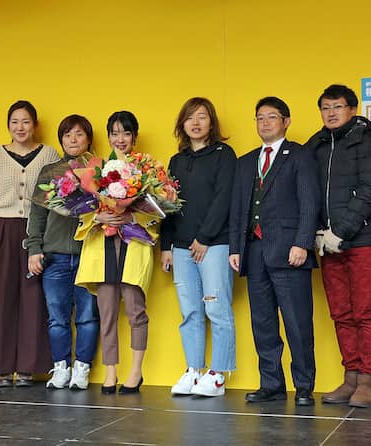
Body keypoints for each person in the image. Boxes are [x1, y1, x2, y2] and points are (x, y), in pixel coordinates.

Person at [229, 97, 320, 405]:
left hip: (290, 251)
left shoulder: (300, 155)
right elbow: (238, 209)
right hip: (254, 252)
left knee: (297, 322)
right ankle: (271, 384)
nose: (265, 122)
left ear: (286, 121)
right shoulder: (246, 161)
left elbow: (309, 202)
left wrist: (302, 243)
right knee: (263, 323)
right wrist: (235, 247)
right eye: (260, 118)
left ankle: (304, 386)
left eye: (271, 117)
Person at [306, 85, 371, 408]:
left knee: (364, 312)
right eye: (325, 108)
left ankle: (368, 381)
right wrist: (317, 231)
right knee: (340, 312)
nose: (331, 113)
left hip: (364, 241)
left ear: (352, 109)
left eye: (337, 107)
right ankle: (351, 376)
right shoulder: (317, 144)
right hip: (328, 243)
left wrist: (341, 231)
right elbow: (307, 191)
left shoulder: (366, 140)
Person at [0, 100, 59, 388]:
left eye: (25, 121)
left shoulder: (48, 154)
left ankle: (27, 367)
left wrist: (47, 238)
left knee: (34, 298)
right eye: (14, 122)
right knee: (0, 298)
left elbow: (55, 195)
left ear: (35, 125)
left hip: (37, 232)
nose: (20, 127)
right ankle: (2, 367)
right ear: (8, 125)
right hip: (3, 230)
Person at [75, 111, 158, 395]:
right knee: (107, 311)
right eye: (115, 133)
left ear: (134, 137)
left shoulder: (147, 171)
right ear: (108, 136)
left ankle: (136, 371)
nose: (120, 139)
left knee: (136, 310)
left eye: (126, 133)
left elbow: (158, 213)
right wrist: (98, 217)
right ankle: (110, 371)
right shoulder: (96, 169)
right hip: (103, 245)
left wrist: (131, 217)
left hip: (133, 245)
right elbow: (81, 209)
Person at [160, 97, 237, 397]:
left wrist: (204, 237)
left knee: (216, 308)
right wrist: (166, 245)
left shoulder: (223, 155)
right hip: (180, 248)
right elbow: (167, 205)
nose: (195, 122)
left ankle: (217, 375)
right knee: (190, 311)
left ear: (211, 122)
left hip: (214, 244)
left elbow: (224, 199)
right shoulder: (176, 161)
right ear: (182, 124)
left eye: (202, 116)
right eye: (190, 117)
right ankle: (194, 370)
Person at [25, 114, 100, 390]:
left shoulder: (100, 171)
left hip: (88, 255)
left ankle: (82, 368)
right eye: (67, 135)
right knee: (57, 318)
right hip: (54, 256)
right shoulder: (50, 172)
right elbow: (37, 215)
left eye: (79, 134)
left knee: (87, 316)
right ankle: (61, 367)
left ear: (88, 139)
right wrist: (34, 249)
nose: (73, 140)